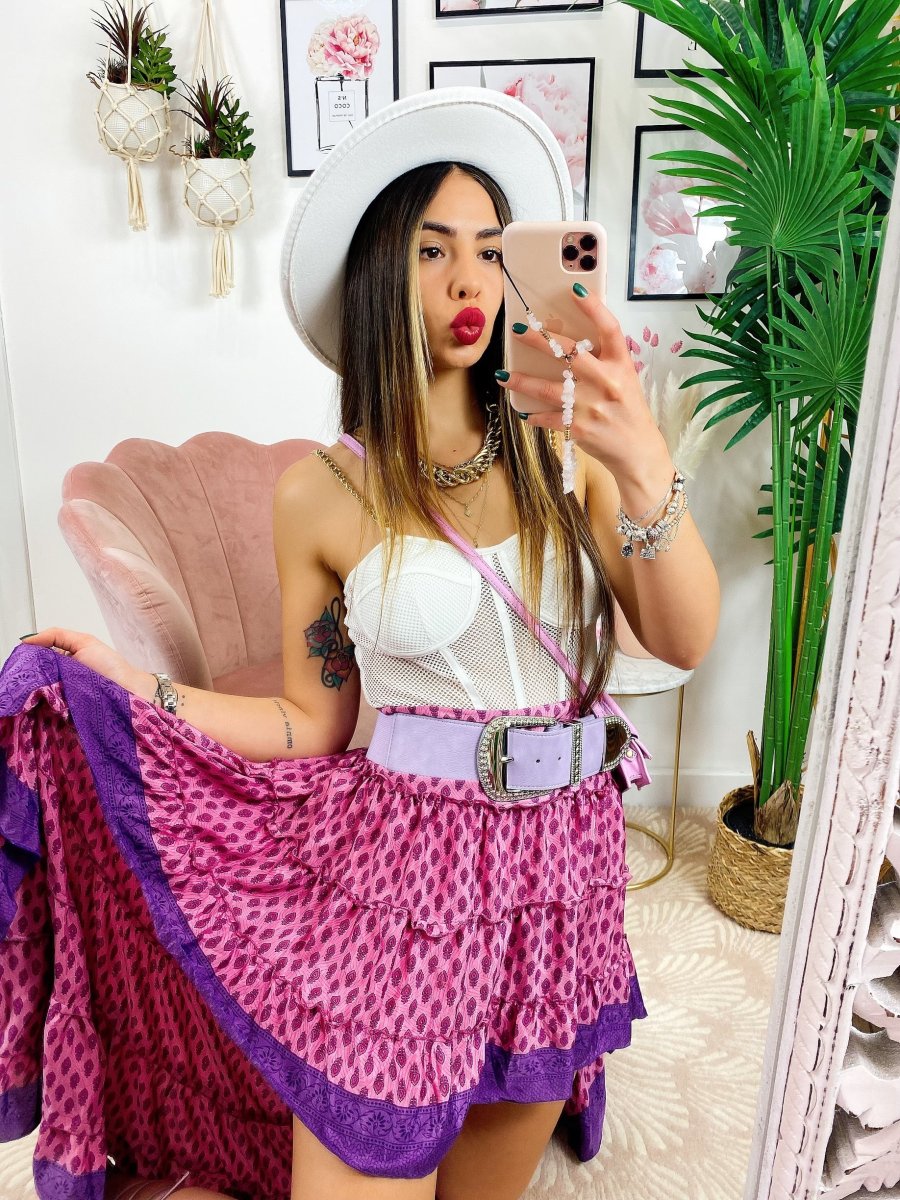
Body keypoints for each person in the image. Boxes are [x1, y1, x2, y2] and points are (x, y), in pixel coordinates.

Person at [0, 89, 719, 1200]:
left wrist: (644, 463)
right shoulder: (321, 493)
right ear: (382, 273)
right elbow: (312, 719)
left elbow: (682, 636)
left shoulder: (567, 454)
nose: (470, 280)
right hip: (404, 880)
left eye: (491, 250)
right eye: (433, 250)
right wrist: (140, 686)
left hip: (560, 877)